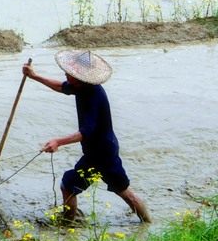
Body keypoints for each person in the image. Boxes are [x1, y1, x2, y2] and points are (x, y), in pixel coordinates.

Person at [23, 50, 151, 224]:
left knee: (68, 186)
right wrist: (34, 76)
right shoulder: (81, 87)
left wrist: (58, 142)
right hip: (105, 149)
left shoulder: (93, 95)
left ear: (81, 77)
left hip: (99, 154)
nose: (66, 74)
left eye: (70, 73)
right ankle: (147, 224)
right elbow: (61, 87)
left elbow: (86, 132)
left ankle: (68, 226)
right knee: (123, 190)